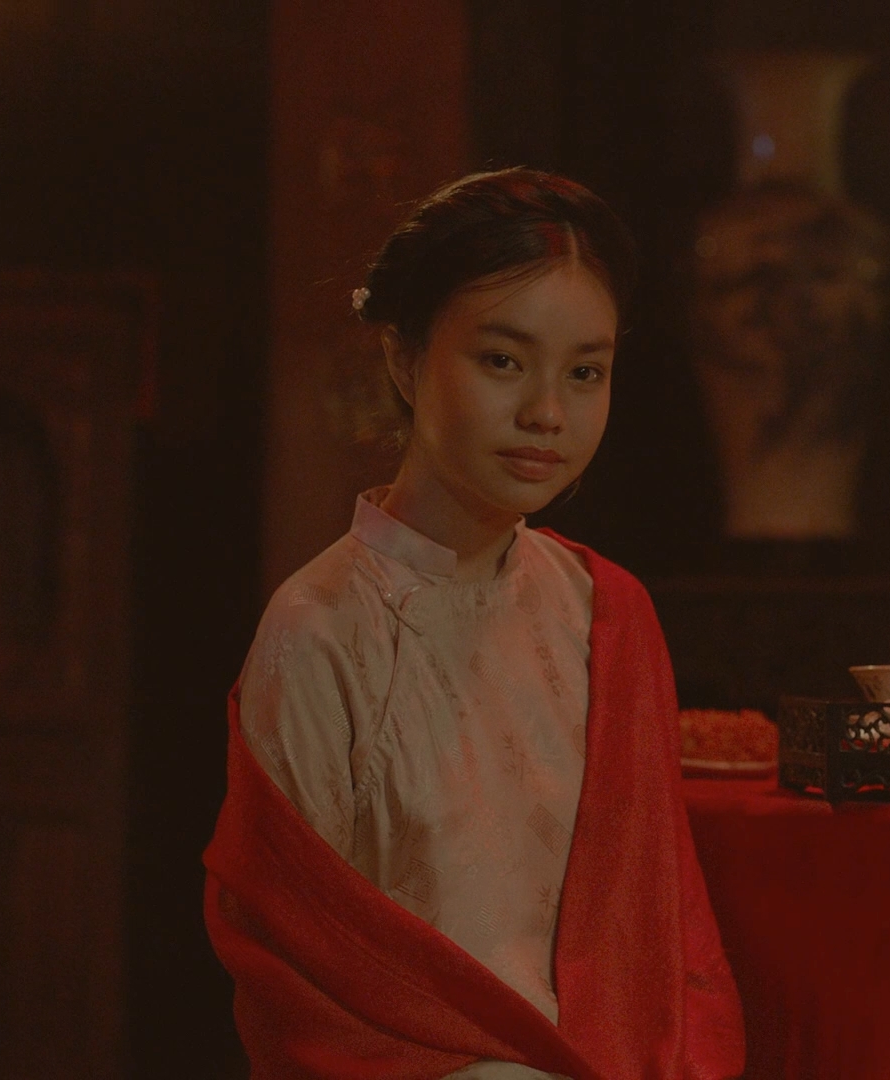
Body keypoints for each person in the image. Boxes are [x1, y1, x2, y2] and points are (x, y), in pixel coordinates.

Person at [203, 169, 746, 1079]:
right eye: (502, 361)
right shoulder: (321, 629)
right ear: (404, 360)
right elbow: (300, 978)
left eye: (585, 372)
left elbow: (667, 947)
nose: (546, 413)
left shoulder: (604, 612)